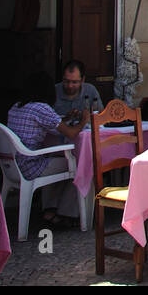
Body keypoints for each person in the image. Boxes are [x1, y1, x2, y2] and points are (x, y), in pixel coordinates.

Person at [8, 72, 89, 226]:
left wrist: (65, 120)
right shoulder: (41, 108)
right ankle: (68, 213)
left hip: (14, 164)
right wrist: (84, 120)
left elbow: (49, 123)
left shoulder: (16, 106)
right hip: (31, 166)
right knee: (80, 165)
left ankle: (50, 209)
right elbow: (71, 133)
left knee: (61, 161)